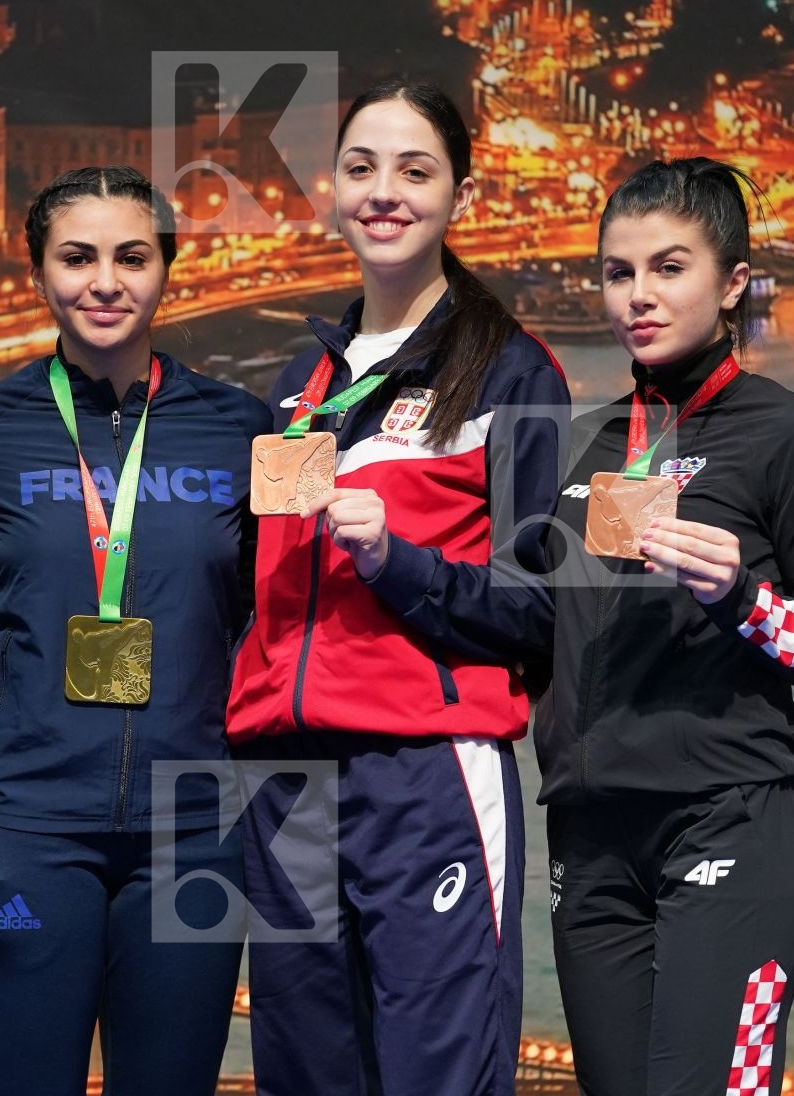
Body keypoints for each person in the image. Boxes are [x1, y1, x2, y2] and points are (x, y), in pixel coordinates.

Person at [226, 79, 571, 1095]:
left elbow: (537, 605)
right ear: (332, 189)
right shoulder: (300, 383)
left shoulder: (510, 374)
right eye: (363, 168)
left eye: (414, 171)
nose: (385, 193)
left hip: (425, 774)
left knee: (438, 1072)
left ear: (458, 193)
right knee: (307, 1072)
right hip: (286, 780)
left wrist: (397, 562)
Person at [535, 157, 794, 1096]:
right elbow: (534, 635)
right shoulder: (585, 444)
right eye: (618, 272)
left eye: (669, 267)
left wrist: (741, 599)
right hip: (590, 843)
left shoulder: (791, 435)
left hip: (732, 823)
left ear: (731, 284)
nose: (638, 296)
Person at [0, 165, 272, 1096]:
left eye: (132, 256)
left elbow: (278, 616)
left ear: (168, 268)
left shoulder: (242, 428)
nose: (105, 282)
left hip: (193, 828)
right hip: (26, 828)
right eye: (76, 258)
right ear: (40, 273)